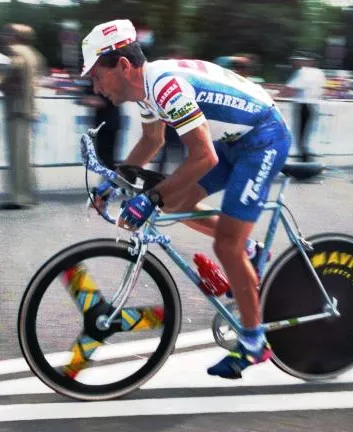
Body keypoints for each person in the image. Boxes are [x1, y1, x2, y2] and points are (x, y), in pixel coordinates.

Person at [83, 19, 291, 379]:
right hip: (232, 141)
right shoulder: (145, 89)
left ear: (122, 65)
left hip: (262, 139)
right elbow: (152, 142)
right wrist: (113, 184)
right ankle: (254, 252)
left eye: (96, 76)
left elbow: (204, 157)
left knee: (226, 246)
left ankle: (255, 343)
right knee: (175, 204)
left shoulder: (164, 87)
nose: (95, 86)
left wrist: (149, 197)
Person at [0, 23, 40, 210]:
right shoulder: (33, 54)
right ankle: (27, 194)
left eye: (7, 33)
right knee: (24, 156)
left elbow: (12, 76)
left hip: (16, 108)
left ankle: (18, 197)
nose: (4, 37)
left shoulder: (15, 52)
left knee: (16, 156)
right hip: (27, 108)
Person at [278, 52, 326, 162]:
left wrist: (273, 96)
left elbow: (289, 89)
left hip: (303, 105)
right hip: (313, 106)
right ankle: (306, 158)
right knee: (307, 134)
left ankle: (304, 160)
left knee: (300, 134)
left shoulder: (303, 72)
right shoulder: (320, 73)